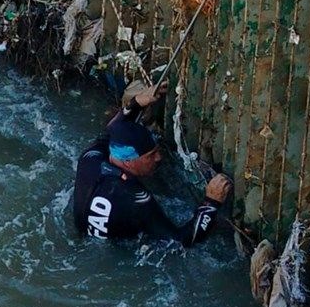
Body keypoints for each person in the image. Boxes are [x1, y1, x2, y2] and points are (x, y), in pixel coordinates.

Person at [72, 82, 233, 246]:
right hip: (117, 253)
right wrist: (211, 202)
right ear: (128, 161)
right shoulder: (136, 199)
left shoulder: (90, 158)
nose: (158, 158)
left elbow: (113, 129)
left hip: (85, 236)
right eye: (150, 155)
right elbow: (179, 241)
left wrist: (137, 102)